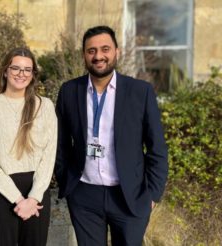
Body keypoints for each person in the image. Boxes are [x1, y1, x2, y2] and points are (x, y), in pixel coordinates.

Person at [55, 25, 168, 245]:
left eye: (105, 49)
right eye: (91, 51)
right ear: (84, 56)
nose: (98, 56)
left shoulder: (140, 91)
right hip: (84, 195)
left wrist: (152, 195)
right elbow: (60, 143)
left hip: (129, 196)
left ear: (116, 51)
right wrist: (67, 182)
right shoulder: (69, 90)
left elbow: (157, 148)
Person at [0, 47, 57, 246]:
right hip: (1, 192)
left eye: (27, 70)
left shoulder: (44, 106)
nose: (21, 74)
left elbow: (49, 156)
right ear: (5, 70)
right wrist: (18, 199)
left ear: (33, 74)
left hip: (36, 193)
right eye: (16, 68)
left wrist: (33, 198)